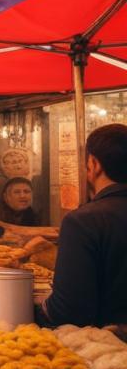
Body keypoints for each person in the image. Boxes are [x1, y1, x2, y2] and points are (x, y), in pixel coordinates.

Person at [45, 124, 127, 327]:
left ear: (94, 164)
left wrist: (42, 305)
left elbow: (70, 311)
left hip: (107, 351)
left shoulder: (83, 222)